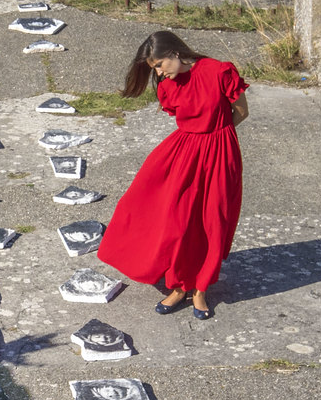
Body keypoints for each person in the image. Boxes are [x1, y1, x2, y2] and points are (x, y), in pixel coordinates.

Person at [97, 30, 247, 319]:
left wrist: (217, 139)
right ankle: (179, 285)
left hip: (219, 152)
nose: (159, 73)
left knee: (211, 222)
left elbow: (241, 111)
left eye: (160, 65)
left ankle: (200, 289)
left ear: (175, 53)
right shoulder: (169, 87)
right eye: (154, 68)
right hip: (183, 153)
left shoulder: (219, 71)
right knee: (174, 220)